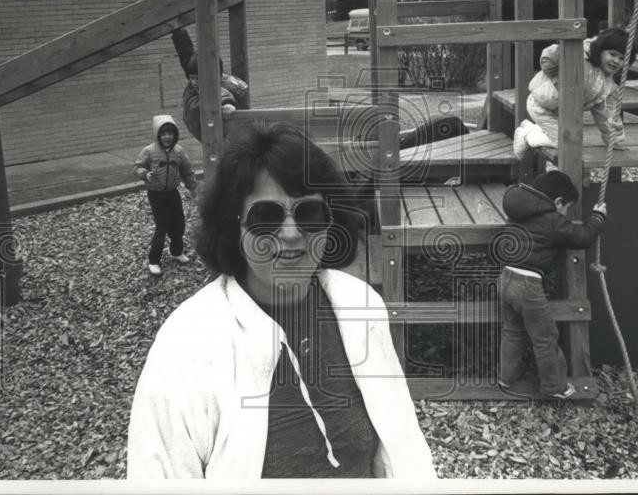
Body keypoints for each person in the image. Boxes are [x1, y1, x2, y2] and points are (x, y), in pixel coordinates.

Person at [127, 122, 436, 479]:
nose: (290, 233)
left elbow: (404, 446)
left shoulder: (361, 305)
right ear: (233, 225)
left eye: (309, 214)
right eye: (265, 217)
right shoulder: (186, 346)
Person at [498, 170, 607, 400]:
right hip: (528, 285)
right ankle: (554, 386)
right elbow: (582, 238)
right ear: (557, 202)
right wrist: (597, 218)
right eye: (567, 208)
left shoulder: (518, 211)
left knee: (512, 332)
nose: (566, 213)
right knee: (544, 337)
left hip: (505, 278)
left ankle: (507, 377)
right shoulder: (552, 220)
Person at [513, 26, 629, 161]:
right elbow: (549, 55)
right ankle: (526, 135)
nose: (616, 61)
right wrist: (555, 77)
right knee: (563, 143)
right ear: (600, 49)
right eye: (613, 54)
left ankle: (530, 128)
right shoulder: (578, 57)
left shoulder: (608, 86)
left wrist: (615, 140)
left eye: (622, 58)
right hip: (541, 106)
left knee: (573, 141)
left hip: (563, 113)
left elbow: (606, 114)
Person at [133, 115, 198, 276]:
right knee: (162, 226)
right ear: (158, 135)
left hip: (172, 193)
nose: (167, 137)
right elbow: (137, 167)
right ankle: (154, 260)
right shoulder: (149, 151)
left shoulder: (179, 151)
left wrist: (193, 188)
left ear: (175, 134)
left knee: (179, 223)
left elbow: (187, 171)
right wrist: (145, 174)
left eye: (170, 133)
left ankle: (176, 251)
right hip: (156, 194)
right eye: (163, 133)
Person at [171, 28, 248, 142]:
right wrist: (178, 32)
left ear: (211, 77)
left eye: (198, 79)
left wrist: (228, 105)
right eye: (192, 78)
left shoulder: (220, 87)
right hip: (200, 125)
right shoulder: (197, 81)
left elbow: (222, 95)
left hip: (219, 137)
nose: (194, 82)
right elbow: (186, 55)